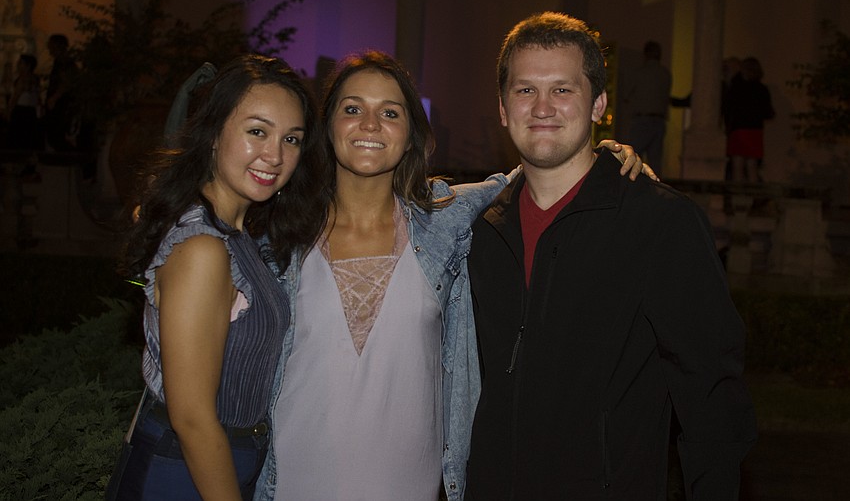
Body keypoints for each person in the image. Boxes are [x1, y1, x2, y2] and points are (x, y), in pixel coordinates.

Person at [254, 50, 653, 501]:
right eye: (352, 109)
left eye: (390, 112)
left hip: (408, 486)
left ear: (410, 136)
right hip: (290, 482)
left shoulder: (441, 222)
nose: (369, 124)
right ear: (326, 128)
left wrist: (599, 150)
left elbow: (527, 173)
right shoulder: (276, 238)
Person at [465, 12, 757, 499]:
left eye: (563, 89)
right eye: (524, 90)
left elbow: (711, 394)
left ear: (599, 103)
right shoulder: (479, 230)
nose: (542, 107)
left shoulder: (659, 223)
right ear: (501, 107)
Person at [106, 54, 328, 501]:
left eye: (292, 139)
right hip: (184, 472)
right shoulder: (203, 248)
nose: (275, 155)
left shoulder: (237, 233)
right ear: (213, 135)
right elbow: (191, 417)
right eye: (256, 131)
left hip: (214, 464)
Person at [622, 40, 672, 176]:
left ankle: (632, 189)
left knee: (633, 157)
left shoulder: (639, 72)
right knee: (655, 161)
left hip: (641, 119)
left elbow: (626, 95)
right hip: (659, 120)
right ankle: (655, 192)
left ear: (646, 54)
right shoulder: (665, 74)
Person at [723, 56, 774, 182]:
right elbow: (768, 112)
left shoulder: (736, 88)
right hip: (755, 130)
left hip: (738, 130)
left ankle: (738, 197)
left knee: (737, 166)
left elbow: (728, 108)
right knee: (752, 166)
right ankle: (753, 197)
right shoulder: (762, 89)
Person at [5, 53, 42, 178]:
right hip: (30, 112)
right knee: (28, 139)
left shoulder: (24, 79)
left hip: (21, 112)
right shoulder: (35, 79)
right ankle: (27, 166)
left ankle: (17, 166)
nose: (18, 65)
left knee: (17, 138)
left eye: (21, 63)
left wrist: (9, 112)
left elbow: (15, 97)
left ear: (28, 66)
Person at [42, 33, 78, 153]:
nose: (49, 48)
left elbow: (67, 82)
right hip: (59, 100)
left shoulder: (64, 61)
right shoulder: (60, 61)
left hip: (61, 102)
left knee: (56, 132)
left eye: (51, 45)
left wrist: (54, 98)